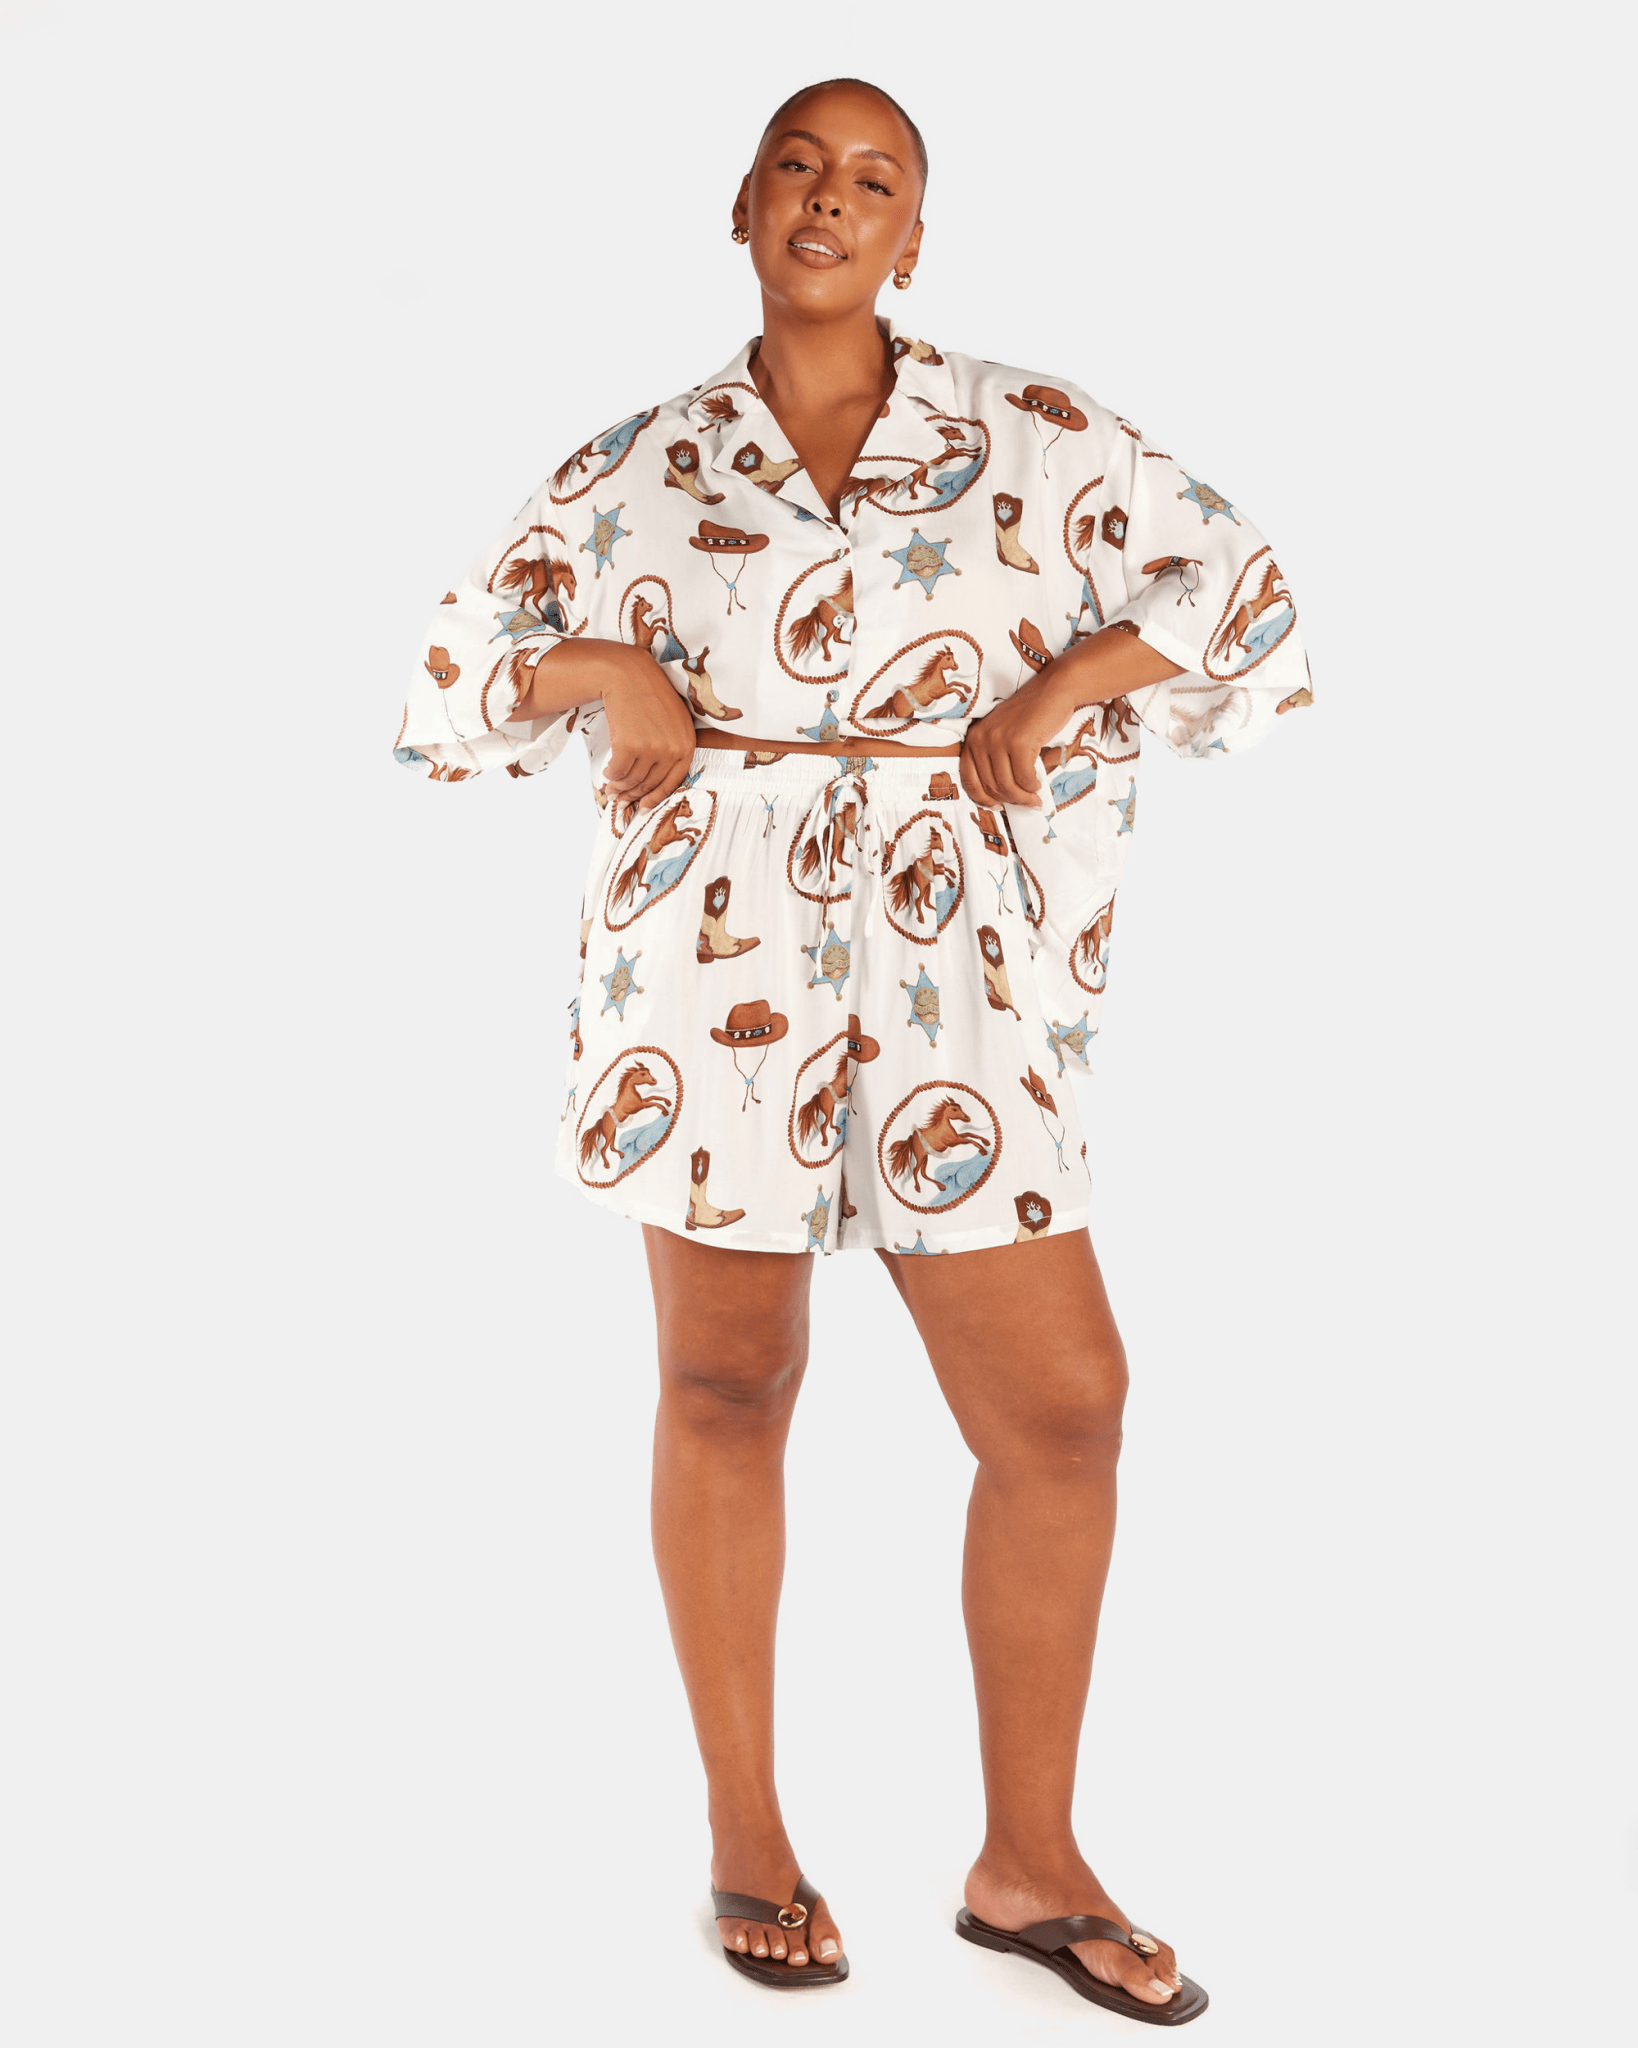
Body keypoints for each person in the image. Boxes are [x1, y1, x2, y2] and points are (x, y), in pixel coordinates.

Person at [394, 76, 1309, 2025]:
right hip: (703, 971)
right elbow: (450, 683)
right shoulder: (639, 467)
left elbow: (1240, 594)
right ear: (739, 207)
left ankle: (1026, 1862)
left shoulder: (1037, 434)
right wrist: (601, 666)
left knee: (1062, 1410)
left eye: (873, 177)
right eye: (797, 168)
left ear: (915, 234)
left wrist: (1065, 682)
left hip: (957, 980)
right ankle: (747, 1837)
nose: (830, 198)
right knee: (725, 1386)